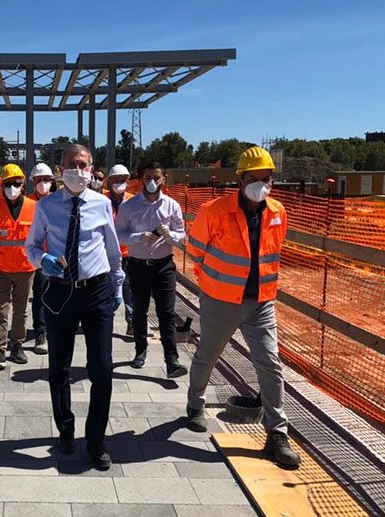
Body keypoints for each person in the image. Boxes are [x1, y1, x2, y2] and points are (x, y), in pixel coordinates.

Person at [185, 146, 301, 469]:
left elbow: (272, 254)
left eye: (267, 178)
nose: (261, 184)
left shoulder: (278, 212)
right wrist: (211, 283)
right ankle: (195, 404)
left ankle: (277, 432)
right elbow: (194, 251)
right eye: (254, 178)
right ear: (240, 179)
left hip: (261, 302)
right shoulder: (215, 210)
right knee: (208, 354)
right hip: (220, 300)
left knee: (270, 363)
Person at [26, 144, 124, 471]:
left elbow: (112, 250)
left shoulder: (101, 204)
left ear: (91, 168)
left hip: (96, 290)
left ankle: (96, 441)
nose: (78, 171)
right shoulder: (46, 206)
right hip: (60, 292)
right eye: (72, 164)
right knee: (59, 369)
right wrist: (43, 260)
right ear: (60, 168)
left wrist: (118, 286)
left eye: (84, 165)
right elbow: (30, 247)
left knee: (103, 369)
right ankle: (65, 429)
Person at [115, 161, 188, 377]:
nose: (152, 182)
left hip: (164, 265)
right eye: (148, 178)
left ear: (163, 178)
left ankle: (172, 359)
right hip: (138, 266)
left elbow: (182, 235)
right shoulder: (129, 206)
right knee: (139, 311)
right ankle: (140, 350)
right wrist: (138, 238)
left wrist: (170, 235)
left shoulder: (171, 205)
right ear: (141, 179)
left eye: (156, 178)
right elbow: (118, 234)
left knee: (166, 313)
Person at [0, 163, 37, 369]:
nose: (12, 187)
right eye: (8, 183)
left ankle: (18, 345)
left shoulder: (33, 207)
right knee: (0, 310)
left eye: (16, 183)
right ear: (2, 185)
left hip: (26, 269)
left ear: (23, 184)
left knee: (21, 311)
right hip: (1, 269)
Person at [26, 162, 55, 355]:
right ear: (33, 182)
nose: (42, 183)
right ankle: (41, 332)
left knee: (57, 295)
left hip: (56, 256)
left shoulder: (59, 201)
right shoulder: (27, 203)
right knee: (40, 295)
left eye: (46, 180)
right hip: (34, 258)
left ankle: (54, 328)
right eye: (39, 180)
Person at [104, 164, 135, 336]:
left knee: (128, 288)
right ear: (110, 181)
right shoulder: (101, 200)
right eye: (116, 180)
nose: (119, 183)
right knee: (107, 287)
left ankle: (131, 321)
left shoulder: (133, 201)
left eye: (122, 180)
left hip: (127, 253)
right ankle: (105, 318)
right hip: (106, 253)